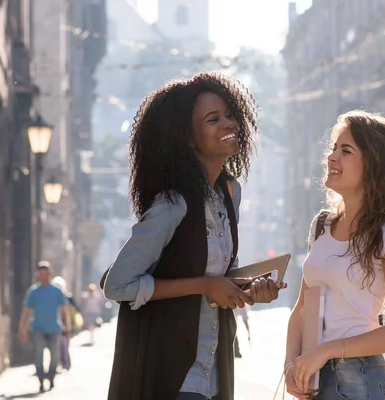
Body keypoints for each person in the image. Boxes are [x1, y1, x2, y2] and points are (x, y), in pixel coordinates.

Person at [102, 71, 285, 400]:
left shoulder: (230, 193)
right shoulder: (173, 204)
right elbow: (117, 284)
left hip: (214, 373)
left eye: (230, 115)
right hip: (173, 376)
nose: (229, 124)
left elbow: (219, 276)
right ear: (187, 138)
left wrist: (250, 288)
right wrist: (204, 285)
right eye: (213, 119)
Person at [283, 110, 385, 400]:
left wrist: (326, 351)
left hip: (360, 380)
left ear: (373, 165)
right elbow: (301, 309)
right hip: (315, 376)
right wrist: (291, 364)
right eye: (334, 148)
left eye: (345, 150)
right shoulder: (321, 225)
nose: (332, 157)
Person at [18, 262, 72, 393]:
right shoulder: (33, 292)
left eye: (46, 274)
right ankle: (41, 380)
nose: (43, 277)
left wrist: (67, 328)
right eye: (41, 274)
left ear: (50, 274)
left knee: (55, 356)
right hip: (38, 328)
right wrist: (22, 331)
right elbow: (26, 312)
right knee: (38, 355)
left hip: (55, 328)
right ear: (38, 275)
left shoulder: (57, 291)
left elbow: (64, 311)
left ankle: (51, 377)